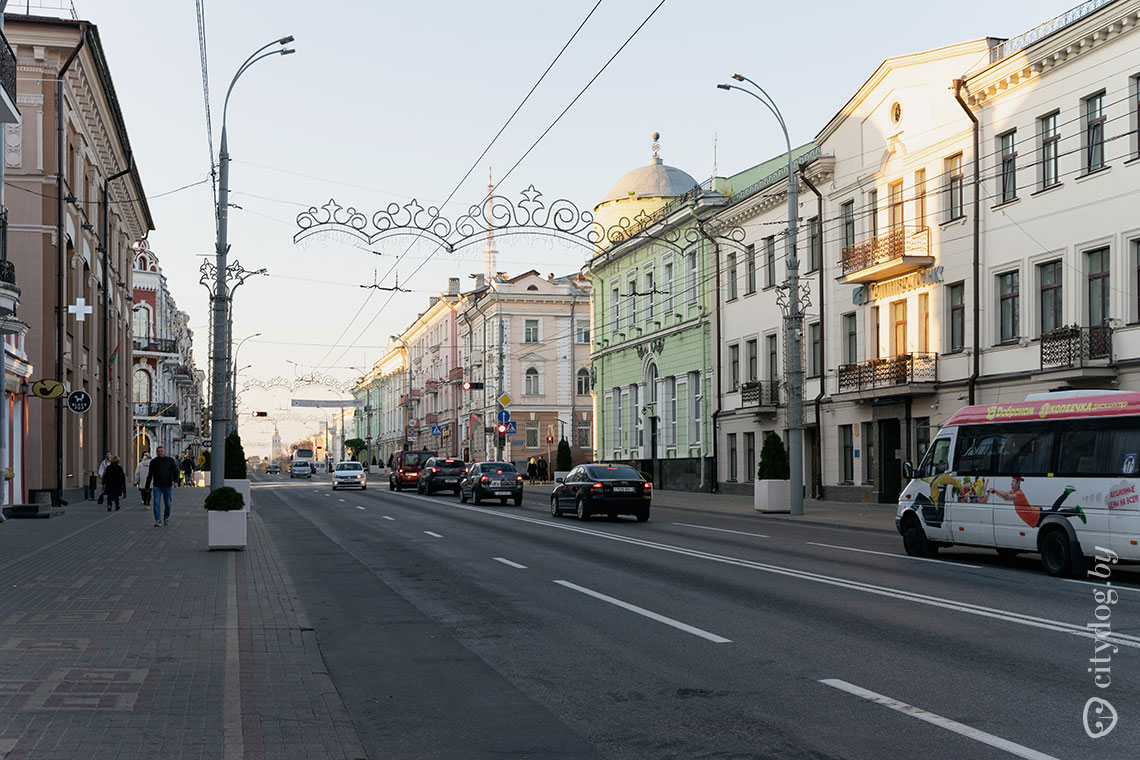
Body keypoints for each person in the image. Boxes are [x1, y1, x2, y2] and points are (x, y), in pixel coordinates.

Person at [145, 446, 180, 527]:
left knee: (168, 503)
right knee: (156, 503)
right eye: (158, 451)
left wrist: (176, 481)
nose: (160, 453)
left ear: (164, 451)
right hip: (157, 485)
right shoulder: (153, 462)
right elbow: (150, 475)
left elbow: (175, 471)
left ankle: (166, 518)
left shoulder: (170, 460)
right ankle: (158, 520)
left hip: (167, 485)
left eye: (161, 451)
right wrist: (147, 486)